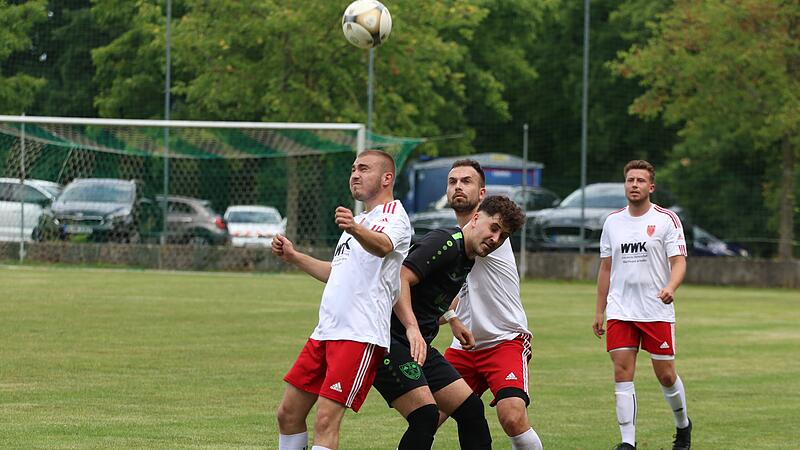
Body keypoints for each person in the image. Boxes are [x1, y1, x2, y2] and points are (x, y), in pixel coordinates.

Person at [273, 150, 412, 450]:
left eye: (364, 168)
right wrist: (295, 257)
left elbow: (383, 246)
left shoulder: (394, 216)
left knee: (325, 421)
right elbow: (337, 272)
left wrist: (355, 228)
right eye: (353, 169)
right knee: (288, 414)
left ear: (387, 178)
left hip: (358, 334)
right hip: (326, 331)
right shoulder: (358, 221)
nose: (355, 175)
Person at [373, 195, 526, 450]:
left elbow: (434, 295)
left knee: (471, 410)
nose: (495, 239)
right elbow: (400, 279)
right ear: (475, 218)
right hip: (388, 340)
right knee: (425, 415)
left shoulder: (467, 257)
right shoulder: (445, 242)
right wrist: (412, 328)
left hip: (418, 345)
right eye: (494, 228)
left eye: (504, 236)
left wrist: (453, 319)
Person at [440, 159, 544, 450]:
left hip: (504, 341)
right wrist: (449, 315)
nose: (458, 187)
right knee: (427, 414)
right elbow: (444, 291)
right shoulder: (455, 239)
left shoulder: (491, 234)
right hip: (464, 348)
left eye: (467, 181)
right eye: (452, 181)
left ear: (482, 193)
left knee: (512, 416)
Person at [592, 160, 692, 450]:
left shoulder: (666, 219)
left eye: (640, 180)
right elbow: (606, 268)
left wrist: (670, 287)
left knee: (666, 375)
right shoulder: (612, 222)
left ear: (651, 187)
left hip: (655, 310)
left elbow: (679, 262)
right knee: (622, 372)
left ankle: (683, 425)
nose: (634, 185)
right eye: (630, 180)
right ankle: (627, 442)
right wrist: (600, 310)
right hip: (620, 310)